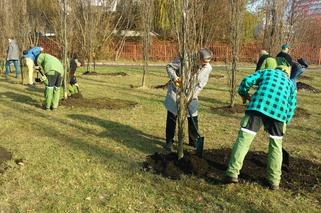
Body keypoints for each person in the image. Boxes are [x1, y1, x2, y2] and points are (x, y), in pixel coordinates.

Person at [225, 65, 296, 190]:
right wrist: (285, 122)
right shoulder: (290, 84)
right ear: (287, 74)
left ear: (277, 69)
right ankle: (274, 181)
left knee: (244, 139)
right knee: (276, 145)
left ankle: (232, 173)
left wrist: (244, 93)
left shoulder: (267, 72)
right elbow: (291, 106)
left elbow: (247, 80)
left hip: (258, 106)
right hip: (279, 114)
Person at [163, 48, 213, 152]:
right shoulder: (185, 59)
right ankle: (169, 142)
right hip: (176, 91)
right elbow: (169, 67)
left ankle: (193, 141)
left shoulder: (207, 68)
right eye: (203, 62)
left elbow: (201, 84)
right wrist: (175, 78)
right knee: (172, 116)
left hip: (192, 94)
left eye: (207, 63)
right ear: (197, 58)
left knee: (193, 117)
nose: (205, 65)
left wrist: (191, 96)